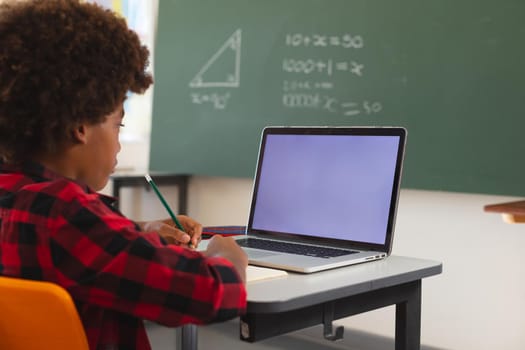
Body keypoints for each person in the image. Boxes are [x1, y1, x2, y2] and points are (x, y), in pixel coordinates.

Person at [0, 1, 248, 349]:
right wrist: (228, 258)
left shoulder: (19, 197)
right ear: (80, 126)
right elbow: (211, 294)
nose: (118, 142)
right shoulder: (67, 214)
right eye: (118, 123)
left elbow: (83, 246)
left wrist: (140, 230)